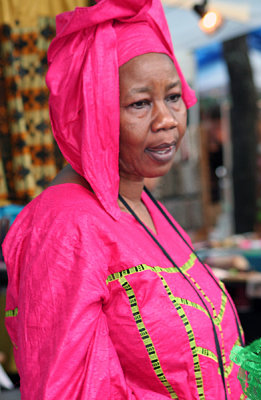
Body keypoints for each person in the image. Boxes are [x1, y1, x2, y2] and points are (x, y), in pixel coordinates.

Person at [3, 0, 244, 399]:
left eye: (172, 96)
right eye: (140, 103)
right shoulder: (67, 227)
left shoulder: (142, 201)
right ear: (92, 111)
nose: (167, 118)